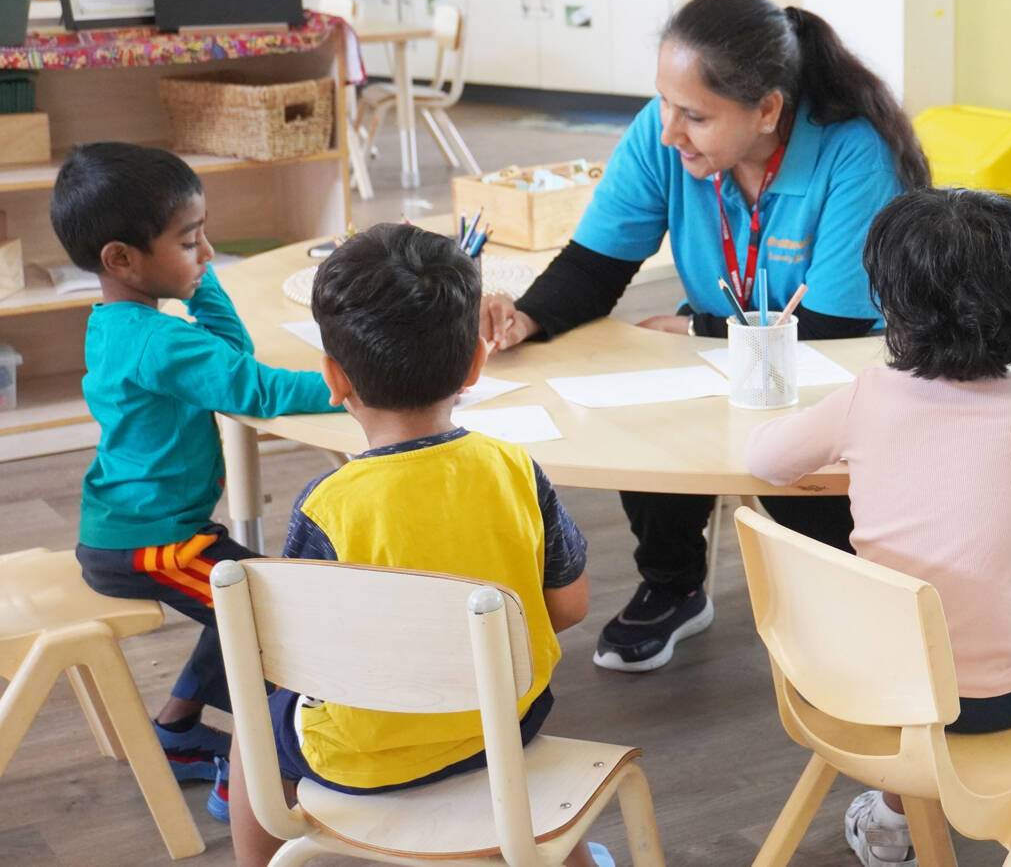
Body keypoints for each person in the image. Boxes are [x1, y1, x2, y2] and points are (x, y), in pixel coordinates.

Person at [480, 0, 931, 673]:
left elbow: (831, 332)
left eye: (693, 114)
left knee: (816, 549)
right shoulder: (666, 138)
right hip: (730, 353)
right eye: (665, 104)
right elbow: (596, 265)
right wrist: (526, 316)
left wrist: (701, 332)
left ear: (768, 110)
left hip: (837, 377)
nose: (668, 130)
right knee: (643, 390)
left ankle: (842, 595)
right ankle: (674, 585)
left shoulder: (853, 155)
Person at [228, 224, 606, 867]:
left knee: (251, 734)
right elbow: (569, 608)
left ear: (333, 379)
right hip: (504, 727)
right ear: (475, 364)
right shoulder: (517, 469)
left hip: (364, 754)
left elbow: (287, 659)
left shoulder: (326, 506)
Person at [747, 189, 1011, 867]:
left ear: (894, 304)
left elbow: (766, 462)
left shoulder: (869, 396)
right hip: (1001, 697)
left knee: (917, 625)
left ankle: (890, 820)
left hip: (870, 691)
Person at [50, 143, 340, 822]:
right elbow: (259, 388)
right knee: (274, 619)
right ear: (122, 258)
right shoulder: (161, 342)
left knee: (248, 594)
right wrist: (360, 382)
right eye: (190, 240)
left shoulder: (121, 323)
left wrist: (197, 278)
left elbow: (230, 359)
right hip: (152, 545)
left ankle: (179, 730)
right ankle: (250, 770)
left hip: (148, 531)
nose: (207, 251)